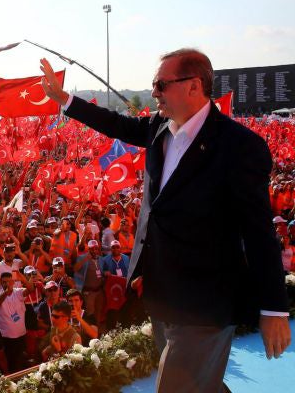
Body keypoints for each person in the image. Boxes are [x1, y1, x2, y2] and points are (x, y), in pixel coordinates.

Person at [40, 50, 291, 392]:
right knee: (201, 383)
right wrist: (65, 100)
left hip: (207, 300)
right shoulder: (160, 127)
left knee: (177, 386)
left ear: (194, 86)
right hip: (162, 290)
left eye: (161, 84)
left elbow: (260, 232)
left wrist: (274, 308)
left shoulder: (240, 147)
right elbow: (116, 123)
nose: (154, 92)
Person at [0, 271, 34, 372]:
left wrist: (24, 279)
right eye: (4, 282)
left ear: (12, 282)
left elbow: (31, 289)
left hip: (21, 335)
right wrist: (7, 292)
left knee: (20, 361)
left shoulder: (18, 292)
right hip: (6, 337)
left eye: (8, 281)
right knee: (10, 362)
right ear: (0, 283)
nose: (6, 284)